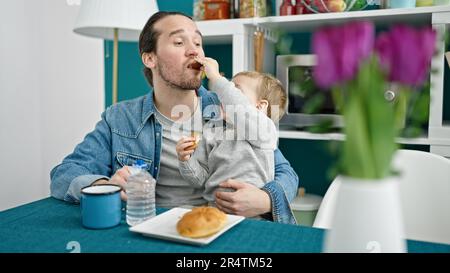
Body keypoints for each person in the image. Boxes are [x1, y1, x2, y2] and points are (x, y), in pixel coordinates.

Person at [50, 11, 299, 224]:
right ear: (150, 58)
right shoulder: (120, 119)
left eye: (198, 43)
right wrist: (105, 185)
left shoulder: (228, 112)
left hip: (221, 229)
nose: (194, 51)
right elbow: (64, 174)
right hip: (151, 232)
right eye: (179, 43)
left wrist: (266, 199)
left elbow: (286, 173)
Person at [176, 56, 286, 213]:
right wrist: (185, 160)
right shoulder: (212, 130)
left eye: (236, 90)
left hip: (251, 215)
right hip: (213, 211)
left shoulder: (264, 129)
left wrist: (217, 78)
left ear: (260, 106)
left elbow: (240, 108)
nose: (225, 94)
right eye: (229, 88)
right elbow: (200, 179)